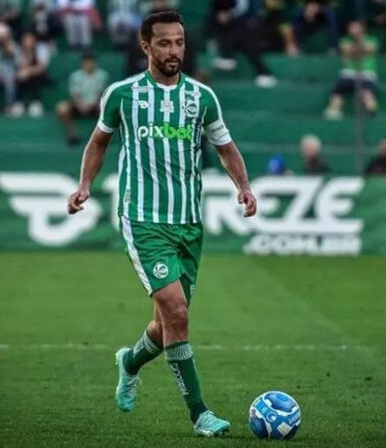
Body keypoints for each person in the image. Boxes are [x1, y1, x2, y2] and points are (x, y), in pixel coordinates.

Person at [67, 10, 257, 437]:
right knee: (176, 311)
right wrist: (84, 185)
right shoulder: (122, 95)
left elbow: (225, 147)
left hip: (189, 223)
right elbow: (99, 141)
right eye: (165, 43)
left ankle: (130, 361)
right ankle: (200, 415)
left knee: (168, 321)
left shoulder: (202, 97)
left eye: (180, 43)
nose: (174, 51)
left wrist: (243, 186)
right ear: (145, 46)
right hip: (143, 219)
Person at [208, 0, 278, 88]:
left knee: (248, 34)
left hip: (251, 28)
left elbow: (258, 15)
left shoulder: (255, 3)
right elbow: (219, 9)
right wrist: (223, 14)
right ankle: (228, 56)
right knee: (231, 29)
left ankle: (228, 56)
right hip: (231, 27)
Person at [324, 21, 379, 120]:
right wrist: (360, 50)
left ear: (362, 29)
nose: (353, 30)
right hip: (349, 73)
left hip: (367, 73)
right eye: (351, 28)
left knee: (367, 94)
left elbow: (371, 49)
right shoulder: (344, 40)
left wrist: (358, 43)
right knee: (338, 92)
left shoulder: (372, 39)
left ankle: (372, 115)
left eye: (356, 27)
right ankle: (333, 112)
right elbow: (346, 50)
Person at [56, 52, 109, 145]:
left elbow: (101, 94)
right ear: (82, 63)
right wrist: (80, 105)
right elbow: (74, 94)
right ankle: (73, 135)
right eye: (86, 62)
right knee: (62, 108)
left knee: (106, 107)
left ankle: (100, 136)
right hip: (79, 105)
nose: (89, 64)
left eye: (91, 61)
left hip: (95, 105)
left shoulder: (102, 75)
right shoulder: (75, 76)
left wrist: (92, 104)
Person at [15, 32, 50, 117]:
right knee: (19, 77)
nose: (27, 41)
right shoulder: (19, 50)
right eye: (25, 39)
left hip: (40, 76)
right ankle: (19, 103)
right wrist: (28, 53)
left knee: (35, 77)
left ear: (34, 40)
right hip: (25, 75)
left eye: (29, 39)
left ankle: (36, 103)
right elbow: (20, 65)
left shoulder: (42, 48)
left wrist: (28, 71)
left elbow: (42, 67)